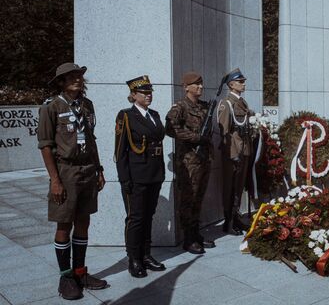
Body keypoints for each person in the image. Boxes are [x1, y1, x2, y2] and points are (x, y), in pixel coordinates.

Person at [37, 63, 108, 300]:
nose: (77, 79)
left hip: (87, 170)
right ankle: (66, 277)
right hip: (65, 172)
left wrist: (99, 169)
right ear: (61, 81)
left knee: (83, 221)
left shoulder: (86, 105)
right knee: (64, 224)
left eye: (79, 76)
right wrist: (55, 180)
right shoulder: (51, 107)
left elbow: (91, 139)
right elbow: (46, 146)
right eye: (70, 77)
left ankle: (80, 272)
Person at [114, 76, 166, 278]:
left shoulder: (154, 114)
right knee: (135, 219)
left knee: (148, 216)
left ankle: (146, 255)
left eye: (150, 92)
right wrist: (124, 179)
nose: (148, 95)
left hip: (154, 174)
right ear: (133, 95)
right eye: (144, 93)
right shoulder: (125, 116)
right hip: (136, 176)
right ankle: (133, 259)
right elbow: (120, 151)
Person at [165, 71, 215, 254]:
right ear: (186, 87)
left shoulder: (204, 107)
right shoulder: (180, 107)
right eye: (196, 84)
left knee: (199, 197)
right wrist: (195, 137)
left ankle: (196, 233)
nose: (200, 87)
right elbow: (170, 129)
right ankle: (188, 238)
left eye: (201, 84)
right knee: (188, 198)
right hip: (188, 161)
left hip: (204, 159)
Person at [217, 68, 255, 235]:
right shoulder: (227, 104)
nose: (243, 84)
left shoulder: (242, 103)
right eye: (240, 81)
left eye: (243, 81)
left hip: (244, 151)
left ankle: (235, 216)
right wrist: (232, 154)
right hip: (233, 154)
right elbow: (224, 132)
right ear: (231, 84)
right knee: (230, 187)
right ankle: (229, 221)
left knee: (239, 187)